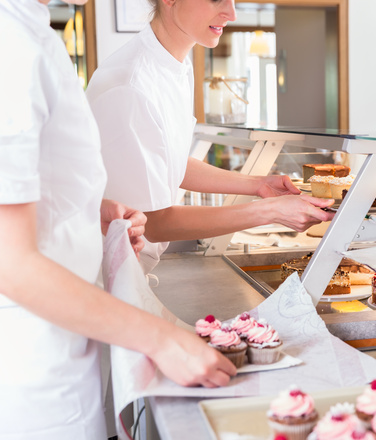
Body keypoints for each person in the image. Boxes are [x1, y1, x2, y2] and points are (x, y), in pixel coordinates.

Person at [0, 1, 236, 438]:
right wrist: (161, 337)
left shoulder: (32, 32)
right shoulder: (9, 43)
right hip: (35, 359)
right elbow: (9, 263)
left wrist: (95, 206)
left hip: (68, 338)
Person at [86, 0, 335, 274]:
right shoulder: (131, 85)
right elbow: (155, 223)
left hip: (132, 267)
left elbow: (169, 162)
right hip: (102, 275)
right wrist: (271, 211)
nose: (232, 13)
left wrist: (258, 185)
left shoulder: (175, 63)